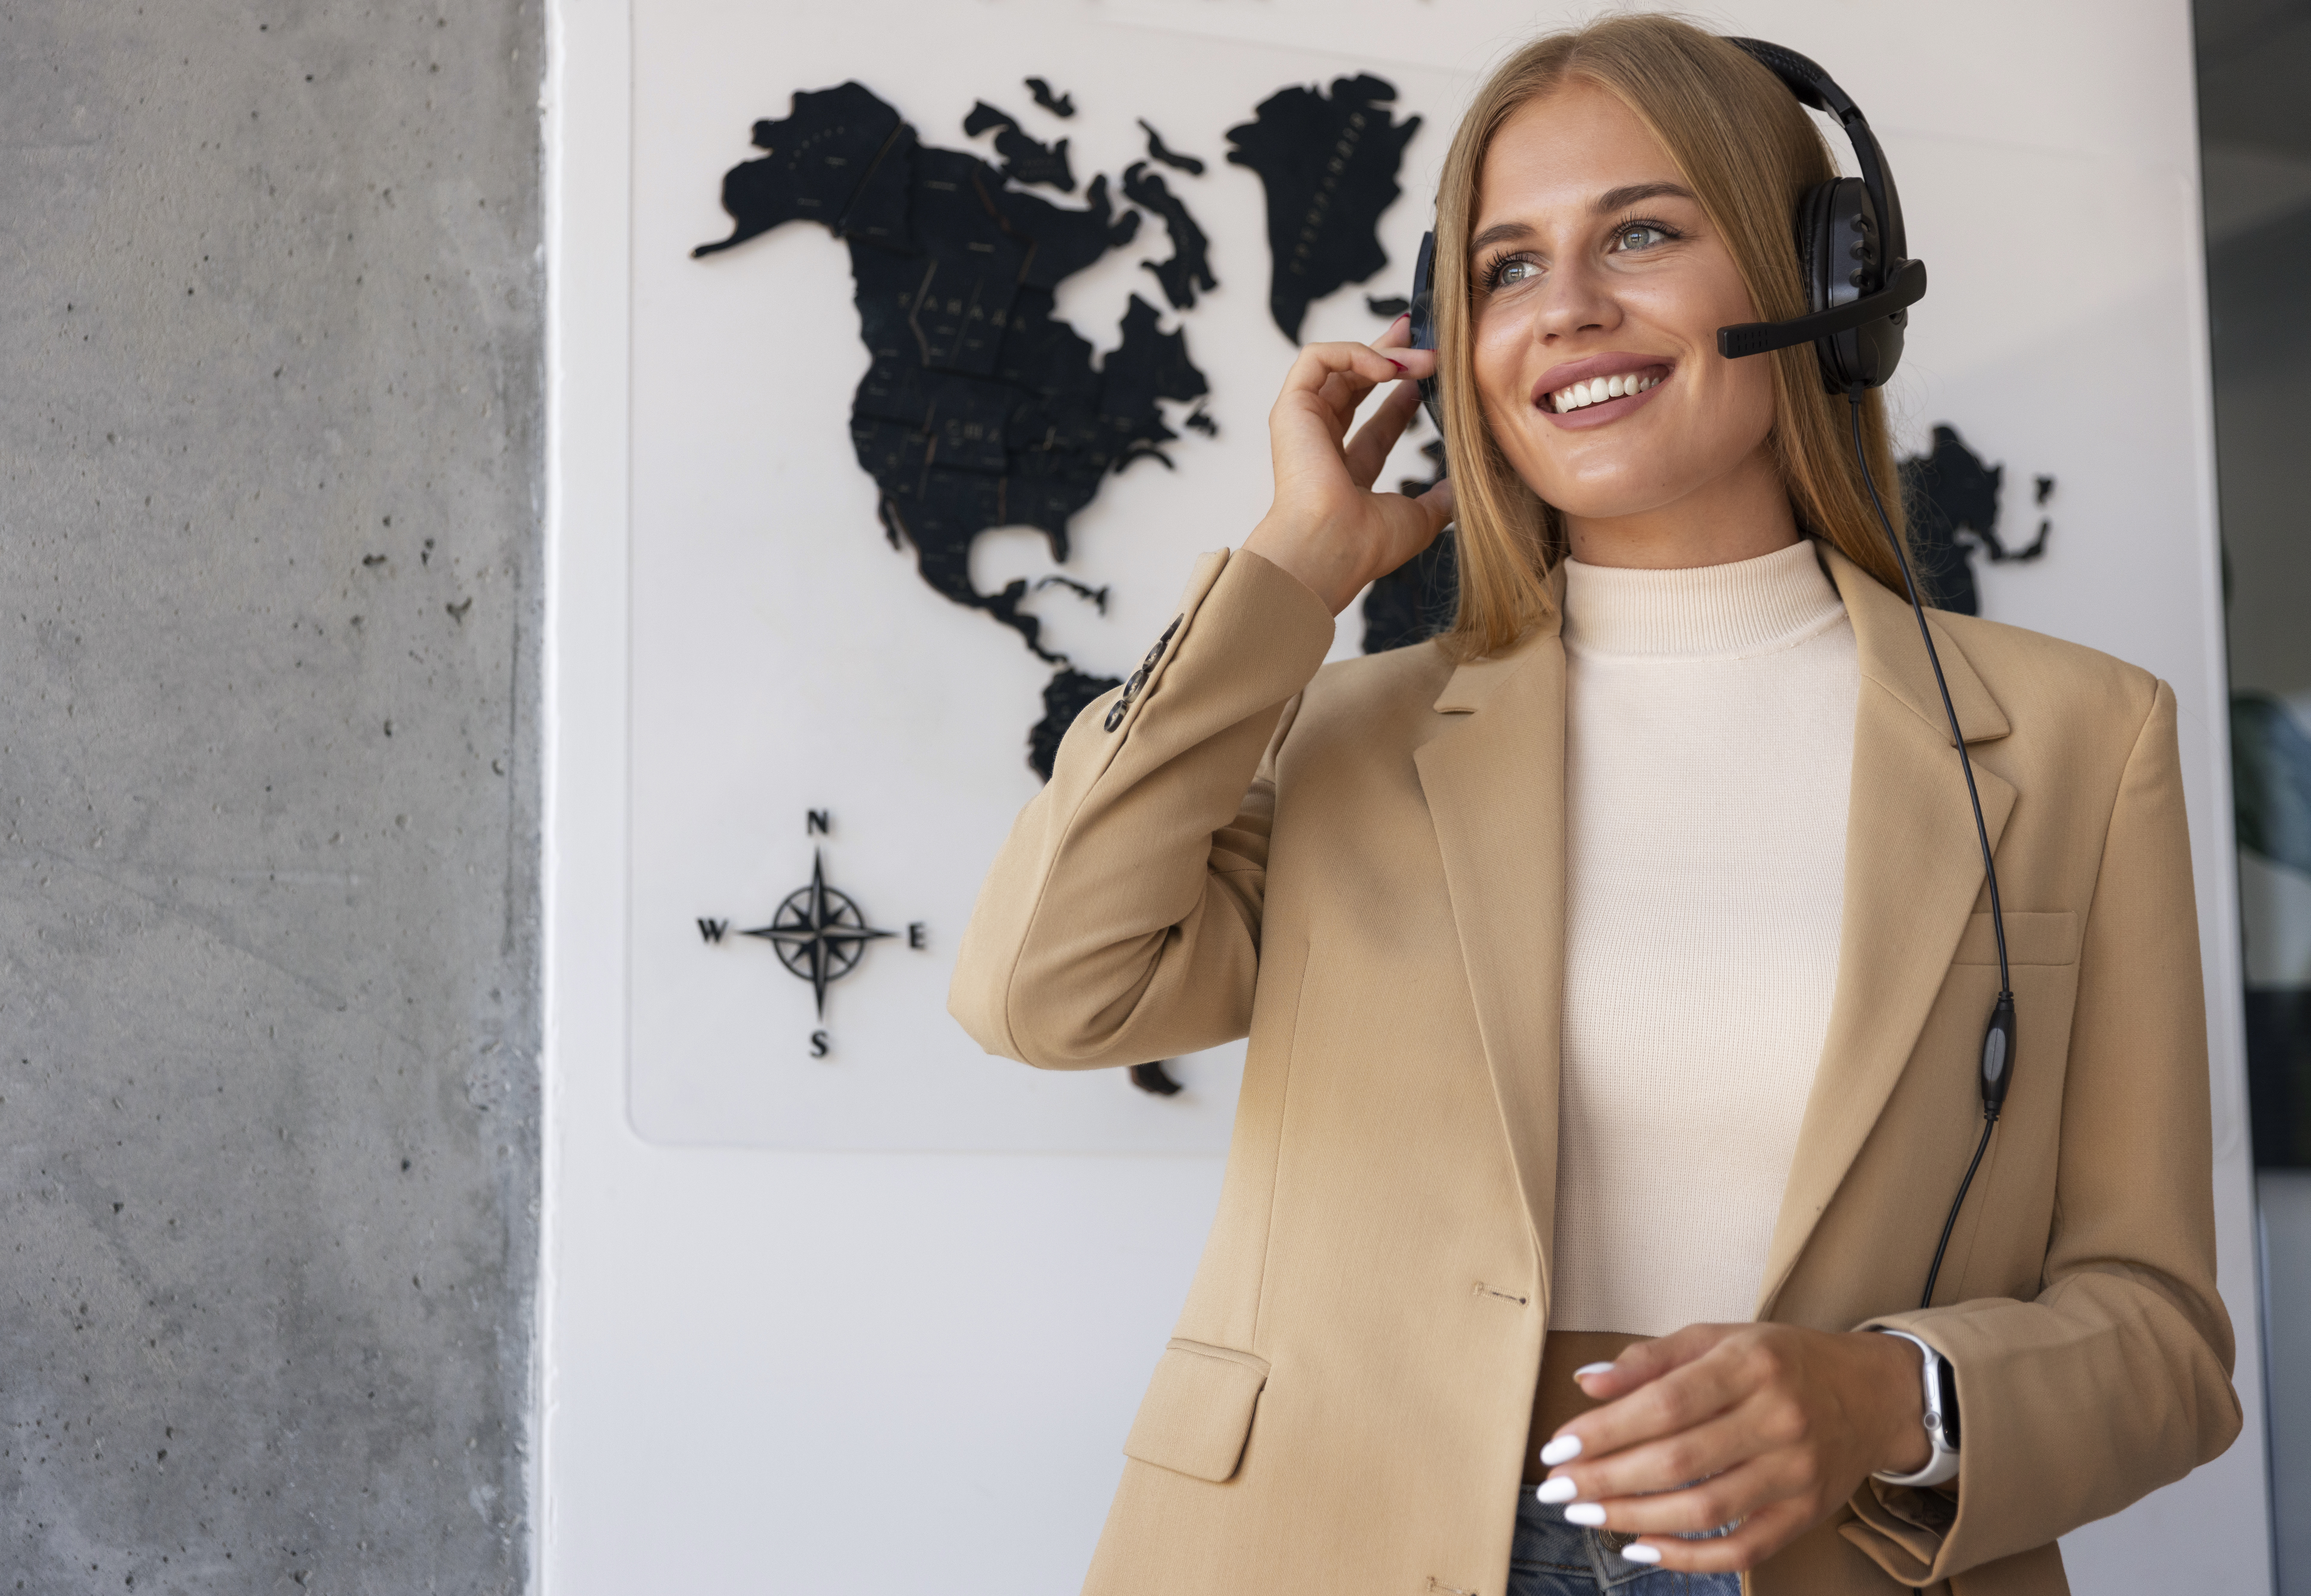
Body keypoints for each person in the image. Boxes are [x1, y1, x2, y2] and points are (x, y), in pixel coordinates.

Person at [949, 15, 2239, 1595]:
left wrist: (1885, 1398)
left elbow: (2163, 1336)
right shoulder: (1344, 732)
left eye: (1640, 233)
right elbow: (1044, 992)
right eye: (1505, 268)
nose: (1564, 307)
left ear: (1821, 279)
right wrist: (1290, 572)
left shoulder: (2082, 739)